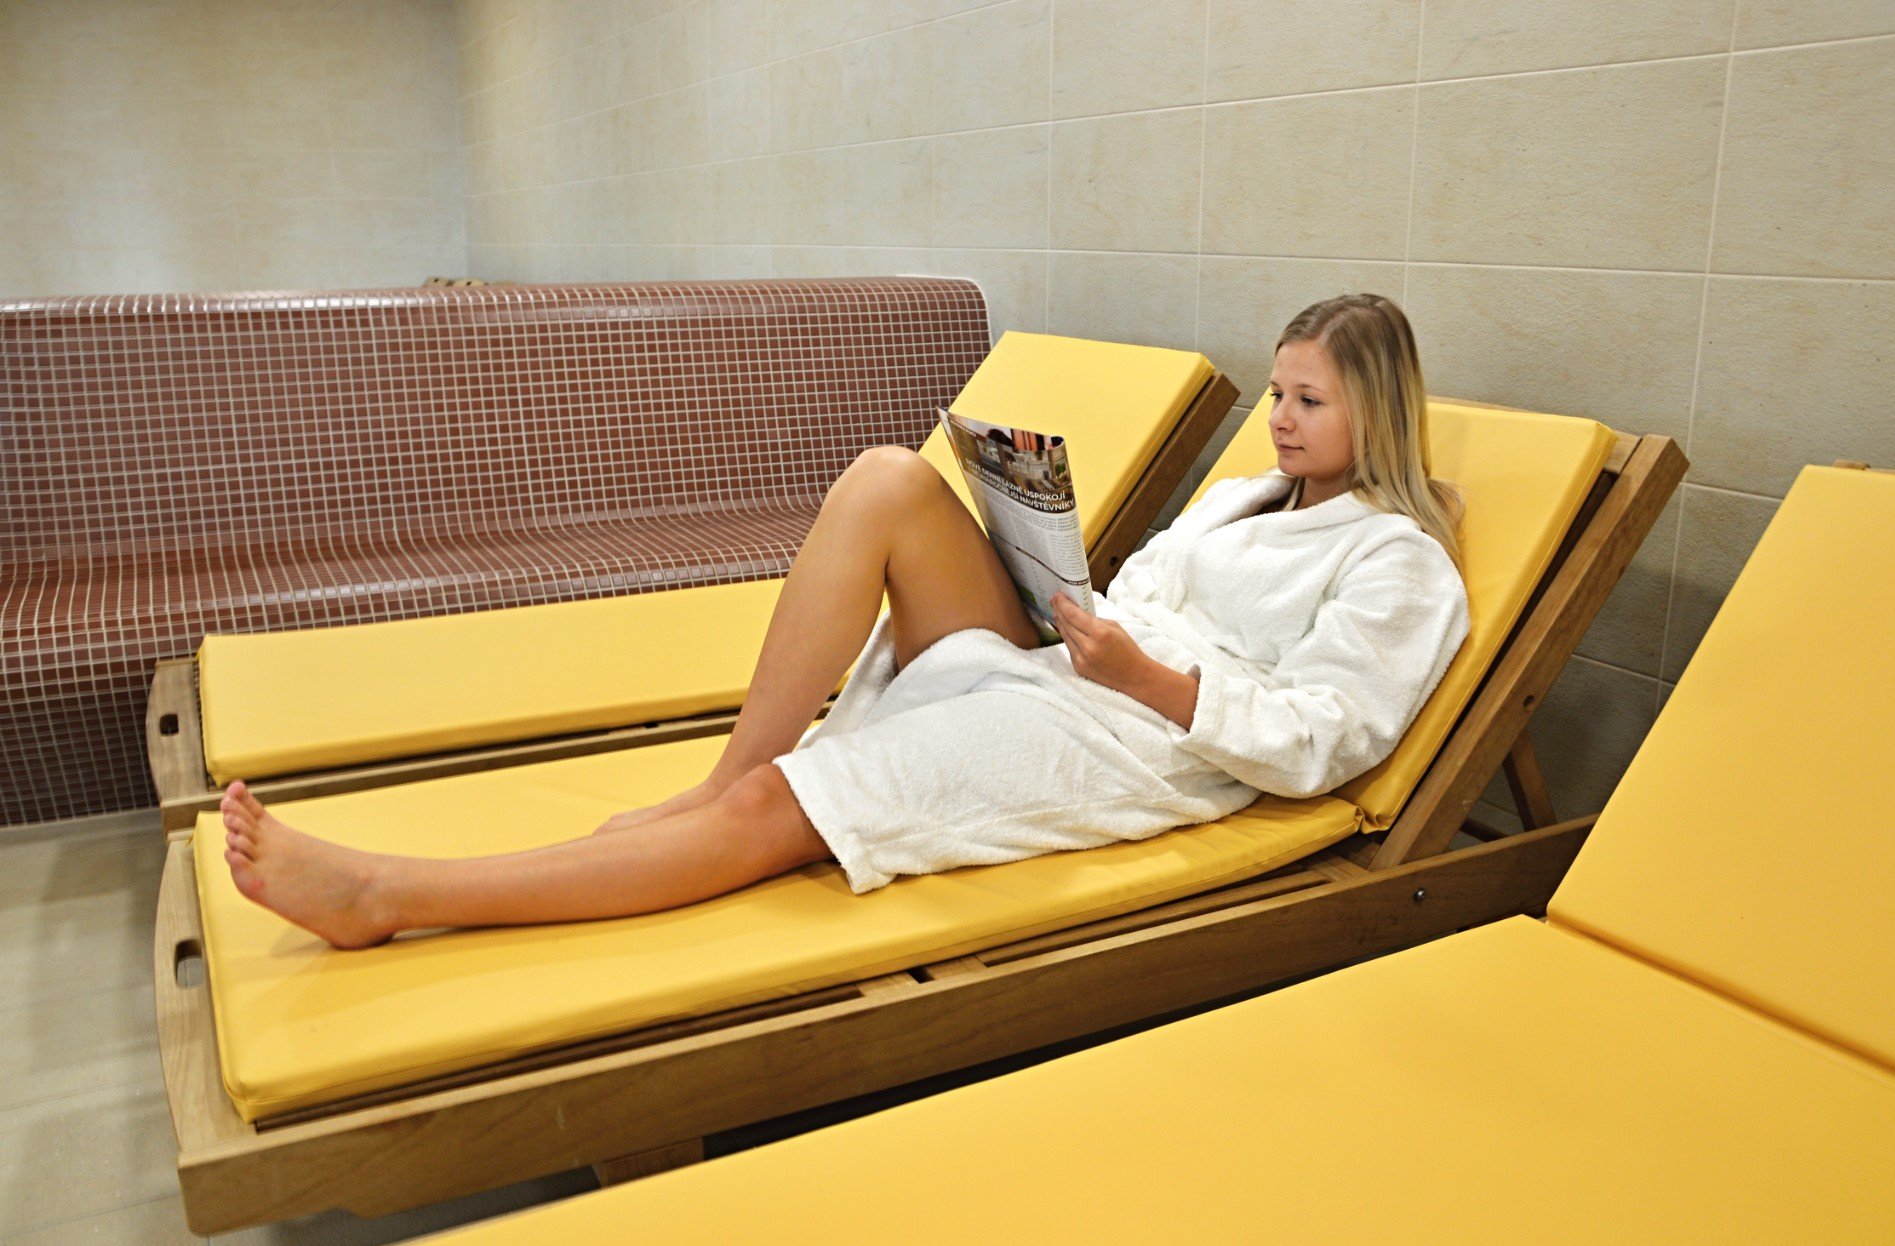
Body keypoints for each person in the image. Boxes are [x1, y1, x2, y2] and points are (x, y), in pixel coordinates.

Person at [219, 294, 1470, 949]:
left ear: (1379, 411)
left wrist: (1143, 677)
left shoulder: (1399, 562)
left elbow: (1327, 737)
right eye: (1276, 391)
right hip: (1084, 670)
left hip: (1148, 739)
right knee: (886, 480)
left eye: (1309, 401)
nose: (1278, 419)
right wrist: (1054, 583)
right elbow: (1152, 598)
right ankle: (730, 769)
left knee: (784, 814)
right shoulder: (1249, 496)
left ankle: (388, 892)